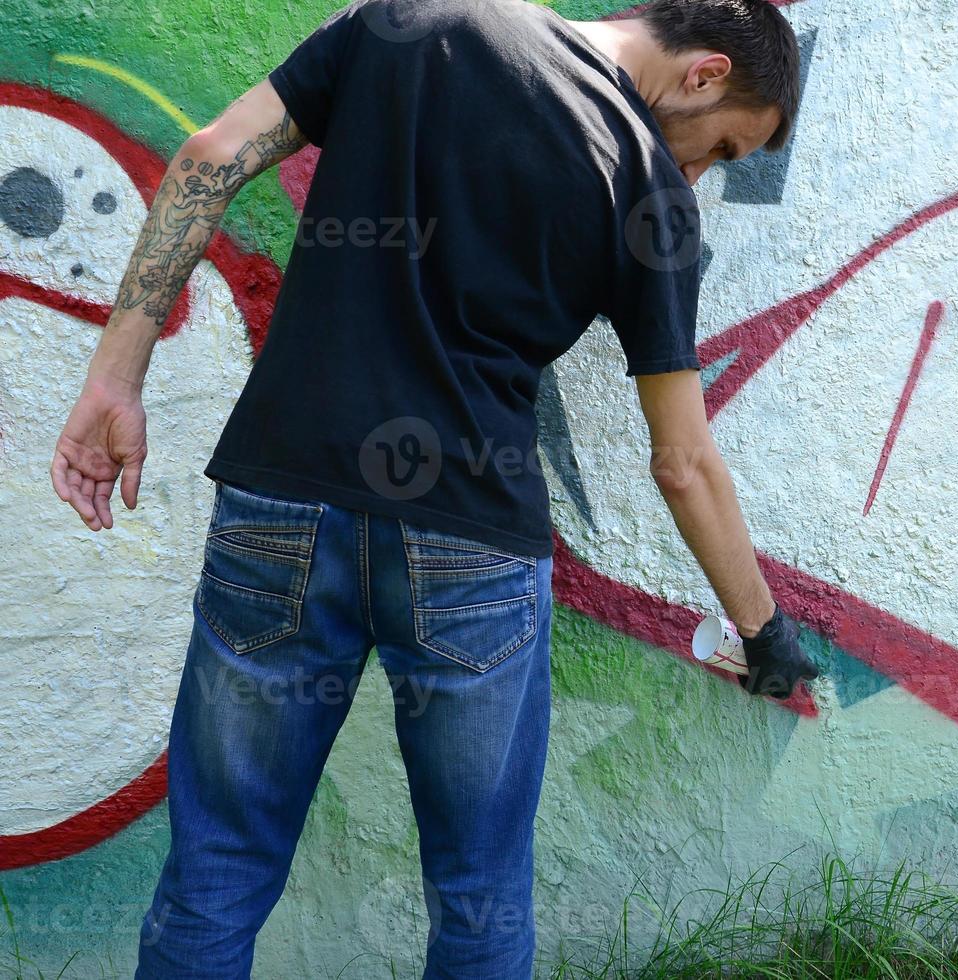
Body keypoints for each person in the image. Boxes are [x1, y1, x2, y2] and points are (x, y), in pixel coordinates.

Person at [46, 0, 821, 975]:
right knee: (479, 902)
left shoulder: (416, 18)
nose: (702, 173)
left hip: (281, 506)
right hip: (471, 554)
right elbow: (683, 461)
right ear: (705, 74)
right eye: (724, 148)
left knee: (215, 877)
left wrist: (115, 378)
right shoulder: (647, 182)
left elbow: (210, 153)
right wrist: (765, 637)